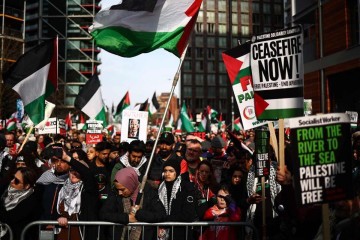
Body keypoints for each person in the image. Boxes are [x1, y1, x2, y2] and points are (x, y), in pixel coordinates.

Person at [100, 167, 166, 240]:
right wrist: (126, 218)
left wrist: (139, 213)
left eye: (122, 189)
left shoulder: (148, 193)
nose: (120, 192)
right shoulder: (115, 194)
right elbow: (104, 214)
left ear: (130, 184)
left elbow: (161, 215)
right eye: (118, 189)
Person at [55, 150, 98, 240]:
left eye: (78, 171)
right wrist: (60, 217)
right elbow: (56, 210)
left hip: (80, 231)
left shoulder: (88, 188)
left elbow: (87, 174)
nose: (74, 174)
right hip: (63, 231)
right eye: (71, 171)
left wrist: (67, 158)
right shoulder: (62, 187)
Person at [157, 158, 198, 240]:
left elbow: (188, 215)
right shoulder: (161, 187)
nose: (167, 173)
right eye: (165, 171)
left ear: (177, 172)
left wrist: (165, 218)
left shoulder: (186, 187)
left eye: (171, 171)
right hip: (164, 233)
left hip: (182, 233)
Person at [0, 167, 41, 240]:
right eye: (13, 177)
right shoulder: (5, 189)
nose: (12, 181)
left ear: (27, 186)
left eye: (16, 181)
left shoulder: (31, 201)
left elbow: (10, 218)